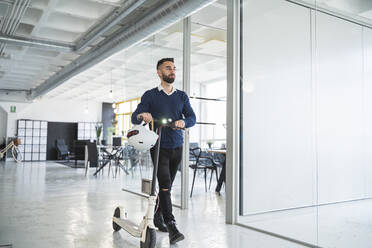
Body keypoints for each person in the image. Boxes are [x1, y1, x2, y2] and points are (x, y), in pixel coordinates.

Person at [131, 58, 196, 244]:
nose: (172, 71)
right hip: (159, 146)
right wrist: (142, 115)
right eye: (168, 68)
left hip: (178, 146)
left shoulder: (181, 96)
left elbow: (192, 117)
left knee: (166, 187)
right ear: (159, 72)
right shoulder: (151, 95)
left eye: (174, 68)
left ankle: (158, 216)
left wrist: (184, 122)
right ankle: (172, 225)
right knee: (166, 184)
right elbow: (135, 117)